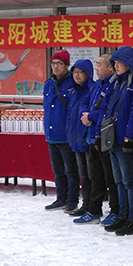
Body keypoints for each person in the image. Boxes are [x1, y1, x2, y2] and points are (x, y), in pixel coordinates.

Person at [103, 47, 133, 236]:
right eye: (114, 63)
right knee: (119, 181)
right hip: (112, 139)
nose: (116, 66)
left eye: (119, 62)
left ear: (129, 63)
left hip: (125, 141)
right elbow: (106, 109)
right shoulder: (115, 82)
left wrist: (129, 137)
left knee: (131, 181)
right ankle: (122, 215)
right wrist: (100, 134)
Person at [73, 54, 118, 225]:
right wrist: (85, 115)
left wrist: (90, 116)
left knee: (110, 178)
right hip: (92, 137)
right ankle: (94, 210)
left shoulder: (113, 85)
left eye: (99, 65)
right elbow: (85, 103)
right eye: (96, 64)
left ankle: (115, 210)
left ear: (110, 68)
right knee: (95, 177)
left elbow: (107, 110)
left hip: (105, 137)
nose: (97, 68)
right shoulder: (96, 85)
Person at [43, 49, 80, 212]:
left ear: (66, 65)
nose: (56, 67)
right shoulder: (48, 84)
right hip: (51, 134)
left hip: (66, 135)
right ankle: (61, 197)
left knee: (71, 170)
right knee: (58, 171)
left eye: (59, 63)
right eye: (53, 63)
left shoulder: (72, 84)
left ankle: (72, 199)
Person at [65, 59, 95, 217]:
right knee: (82, 174)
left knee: (91, 175)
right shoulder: (73, 91)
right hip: (75, 138)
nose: (76, 75)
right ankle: (85, 203)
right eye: (74, 72)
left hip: (87, 139)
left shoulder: (92, 89)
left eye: (80, 72)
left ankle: (91, 204)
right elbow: (70, 115)